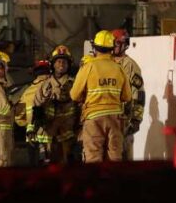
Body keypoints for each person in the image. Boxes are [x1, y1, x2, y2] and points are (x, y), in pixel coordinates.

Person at [71, 30, 132, 163]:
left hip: (94, 118)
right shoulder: (119, 68)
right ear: (111, 48)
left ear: (95, 48)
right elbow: (127, 96)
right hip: (115, 118)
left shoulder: (88, 67)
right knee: (115, 157)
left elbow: (74, 95)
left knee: (94, 159)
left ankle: (96, 184)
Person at [35, 45, 78, 164]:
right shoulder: (44, 85)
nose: (61, 64)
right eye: (58, 61)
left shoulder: (75, 84)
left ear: (69, 64)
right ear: (53, 64)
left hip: (69, 135)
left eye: (64, 61)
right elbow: (36, 107)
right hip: (49, 135)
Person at [111, 28, 144, 159]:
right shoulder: (105, 61)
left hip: (125, 119)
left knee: (124, 158)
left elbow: (139, 94)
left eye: (117, 43)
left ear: (125, 45)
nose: (114, 46)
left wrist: (136, 119)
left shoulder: (130, 66)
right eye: (113, 43)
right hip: (109, 118)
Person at [15, 60, 52, 164]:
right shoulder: (53, 86)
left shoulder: (26, 92)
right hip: (49, 137)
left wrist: (28, 124)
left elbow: (19, 118)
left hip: (31, 138)